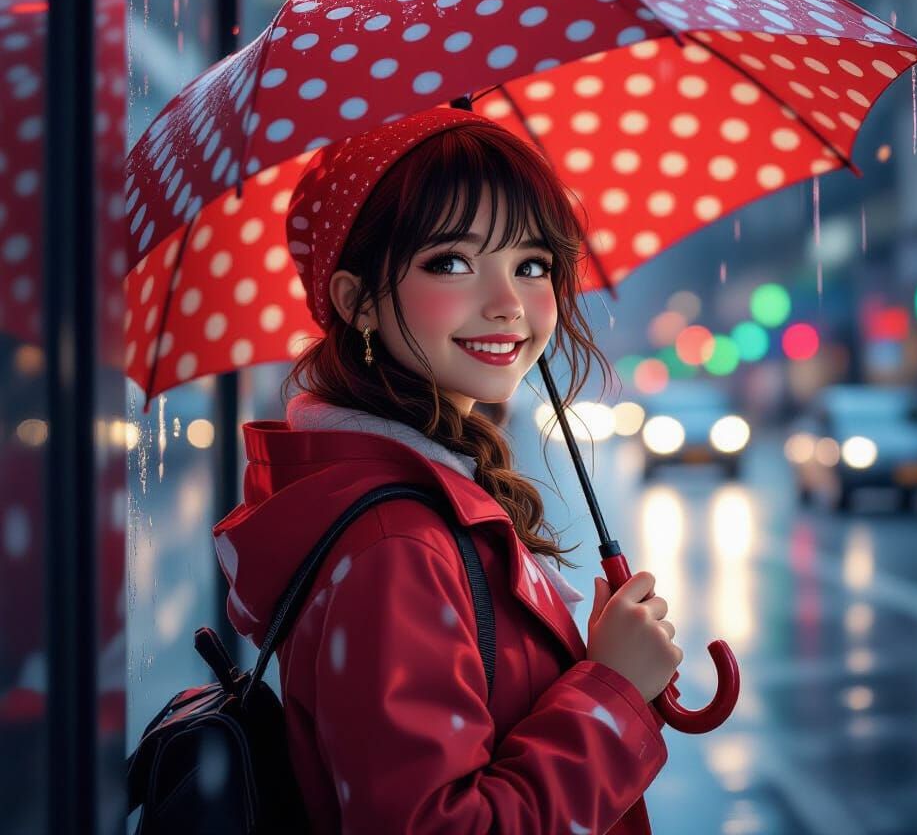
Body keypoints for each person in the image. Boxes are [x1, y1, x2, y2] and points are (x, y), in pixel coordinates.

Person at [212, 107, 680, 834]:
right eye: (452, 263)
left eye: (531, 265)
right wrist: (610, 690)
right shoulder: (395, 547)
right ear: (356, 301)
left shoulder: (417, 505)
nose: (508, 306)